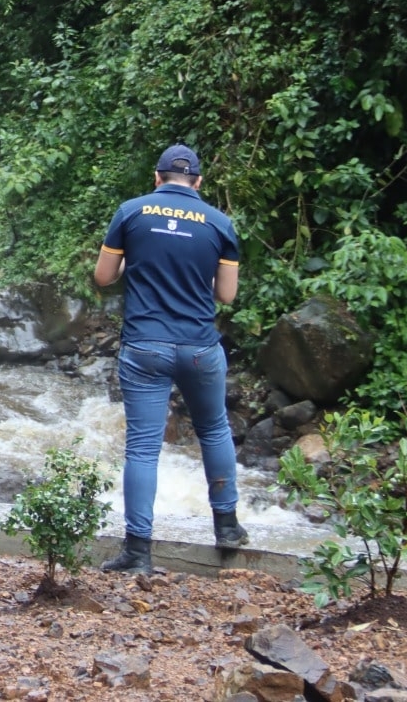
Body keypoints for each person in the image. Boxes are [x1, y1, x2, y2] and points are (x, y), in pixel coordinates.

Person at [92, 143, 247, 573]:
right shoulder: (219, 223)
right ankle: (227, 528)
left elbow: (103, 277)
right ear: (198, 182)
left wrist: (136, 266)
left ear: (157, 178)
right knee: (213, 429)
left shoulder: (131, 212)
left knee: (143, 447)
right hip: (199, 347)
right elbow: (226, 294)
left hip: (145, 346)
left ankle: (138, 552)